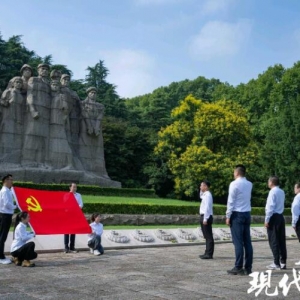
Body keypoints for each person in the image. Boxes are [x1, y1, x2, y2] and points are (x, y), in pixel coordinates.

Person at [226, 165, 253, 275]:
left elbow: (231, 201)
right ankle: (248, 267)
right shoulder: (249, 184)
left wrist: (228, 216)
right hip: (247, 213)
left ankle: (238, 266)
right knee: (247, 242)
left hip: (237, 214)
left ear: (236, 173)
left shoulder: (234, 184)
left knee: (238, 242)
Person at [265, 176, 287, 270]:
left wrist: (267, 219)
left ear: (271, 182)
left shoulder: (272, 192)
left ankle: (276, 262)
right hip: (280, 217)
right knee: (281, 240)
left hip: (273, 217)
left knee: (273, 240)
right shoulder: (281, 191)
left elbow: (270, 206)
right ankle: (283, 261)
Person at [0, 174, 16, 264]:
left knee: (2, 236)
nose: (12, 181)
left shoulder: (7, 191)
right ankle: (1, 257)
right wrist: (15, 206)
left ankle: (1, 255)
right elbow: (7, 204)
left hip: (5, 215)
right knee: (2, 236)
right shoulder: (5, 191)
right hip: (5, 215)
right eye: (10, 179)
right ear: (5, 180)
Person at [64, 183, 83, 253]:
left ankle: (72, 246)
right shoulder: (66, 195)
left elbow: (81, 204)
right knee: (66, 231)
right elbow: (64, 204)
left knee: (73, 231)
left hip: (75, 214)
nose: (74, 188)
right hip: (67, 215)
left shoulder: (78, 195)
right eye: (73, 187)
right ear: (70, 187)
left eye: (75, 187)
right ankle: (66, 247)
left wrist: (75, 207)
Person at [199, 180, 214, 259]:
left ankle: (209, 253)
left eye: (202, 185)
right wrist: (201, 190)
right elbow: (200, 196)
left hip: (206, 216)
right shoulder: (205, 195)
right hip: (204, 216)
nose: (200, 187)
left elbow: (207, 208)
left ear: (206, 186)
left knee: (208, 236)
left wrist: (205, 219)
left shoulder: (208, 195)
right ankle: (207, 252)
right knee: (206, 236)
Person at [292, 182, 300, 266]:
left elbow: (295, 211)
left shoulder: (297, 198)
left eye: (295, 188)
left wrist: (294, 223)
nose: (294, 189)